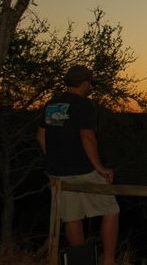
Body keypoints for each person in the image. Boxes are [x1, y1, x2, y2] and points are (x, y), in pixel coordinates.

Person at [37, 65, 119, 265]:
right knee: (111, 210)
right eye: (89, 82)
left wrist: (56, 157)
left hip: (57, 172)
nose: (90, 86)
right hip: (83, 170)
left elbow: (41, 135)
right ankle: (108, 261)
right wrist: (100, 168)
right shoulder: (84, 105)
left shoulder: (52, 103)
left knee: (71, 217)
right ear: (84, 83)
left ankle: (81, 262)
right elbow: (87, 137)